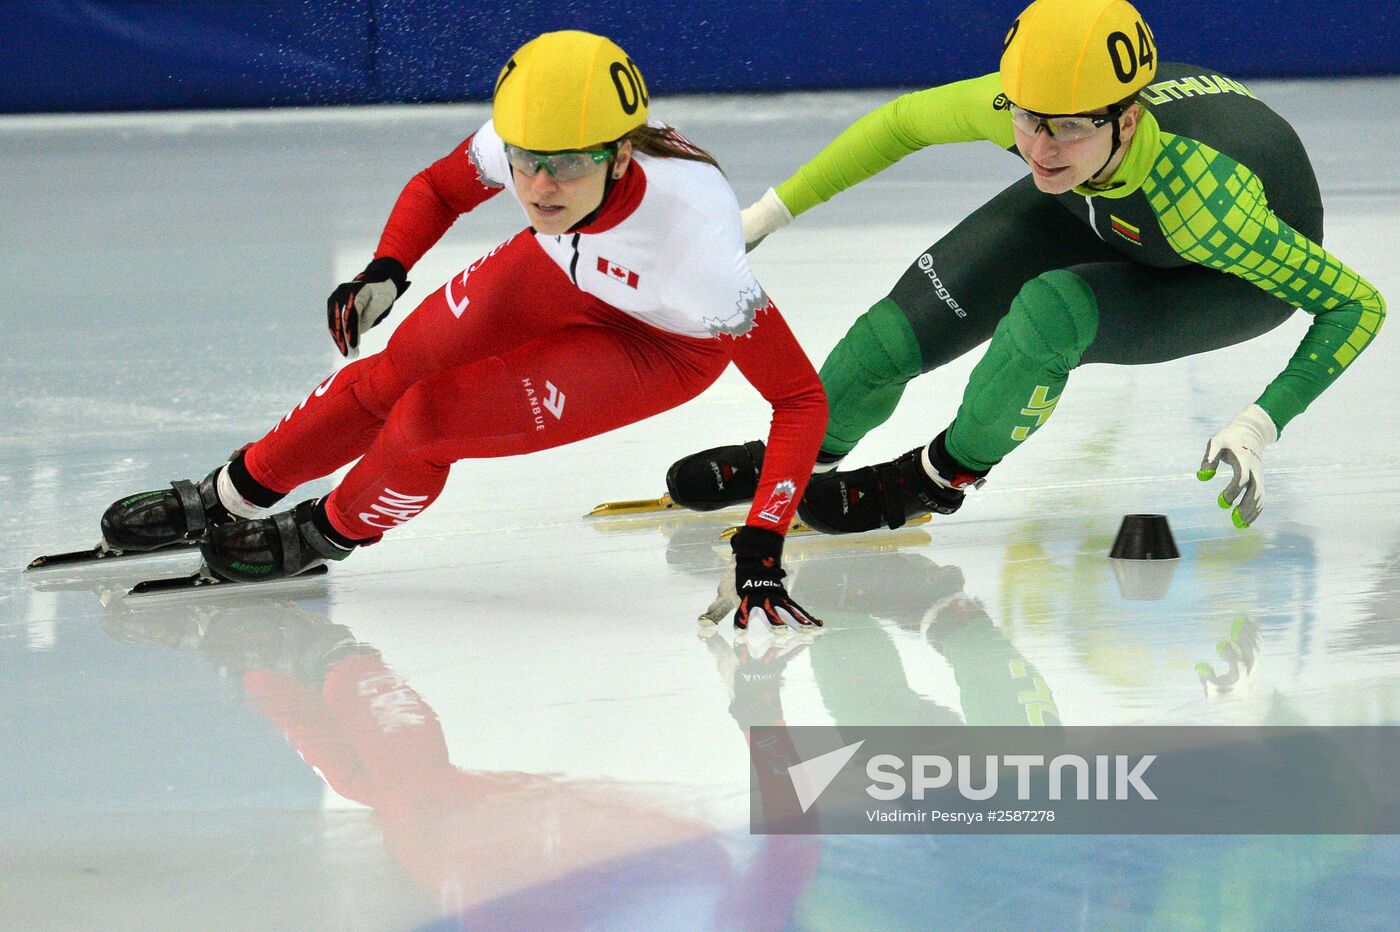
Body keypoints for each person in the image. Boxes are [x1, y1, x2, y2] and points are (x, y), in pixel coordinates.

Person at [98, 30, 827, 629]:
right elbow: (440, 187)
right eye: (526, 164)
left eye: (568, 166)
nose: (540, 186)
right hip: (560, 264)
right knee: (389, 377)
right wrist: (386, 267)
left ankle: (324, 532)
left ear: (621, 154)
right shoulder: (538, 129)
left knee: (425, 421)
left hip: (659, 343)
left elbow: (800, 401)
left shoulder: (698, 251)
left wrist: (762, 543)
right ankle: (232, 492)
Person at [664, 0, 1385, 534]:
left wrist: (1263, 422)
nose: (1040, 146)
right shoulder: (1045, 117)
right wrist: (763, 216)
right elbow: (899, 125)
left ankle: (934, 478)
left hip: (1221, 274)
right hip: (1097, 198)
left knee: (1050, 313)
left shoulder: (1212, 204)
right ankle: (794, 455)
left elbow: (1357, 304)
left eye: (1067, 125)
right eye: (1028, 121)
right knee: (891, 336)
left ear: (1126, 121)